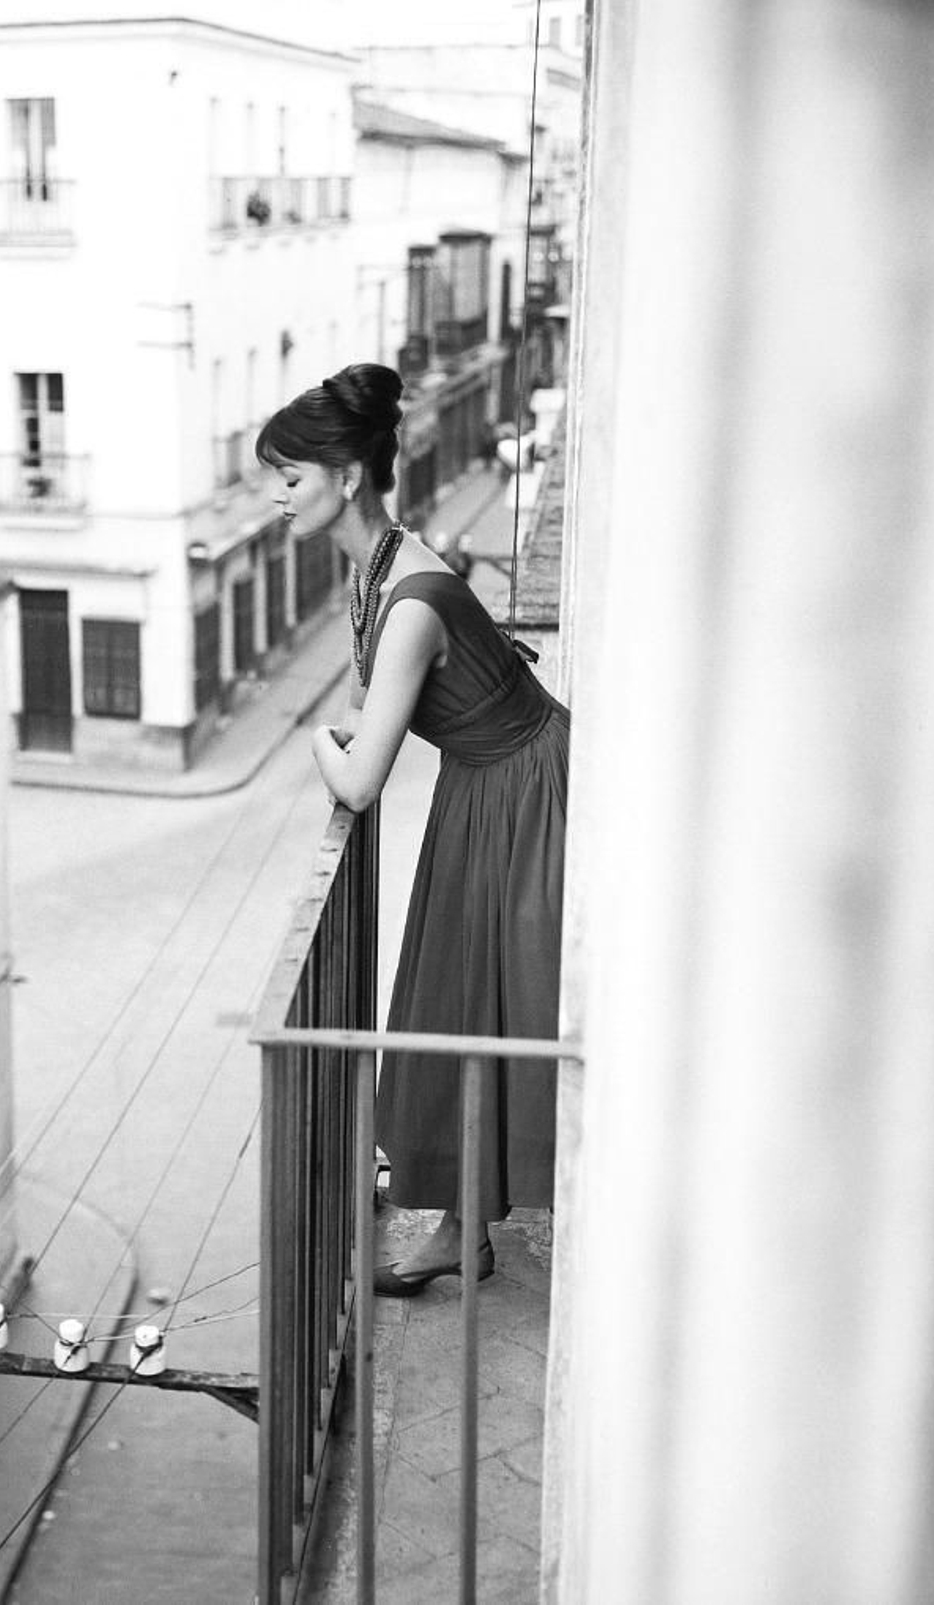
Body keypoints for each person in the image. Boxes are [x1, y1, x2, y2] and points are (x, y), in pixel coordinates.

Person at [256, 362, 569, 1295]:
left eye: (291, 476)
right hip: (489, 787)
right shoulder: (384, 564)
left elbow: (355, 779)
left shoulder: (410, 598)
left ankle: (467, 1226)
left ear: (346, 476)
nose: (277, 496)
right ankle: (458, 1227)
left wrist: (313, 736)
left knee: (499, 1000)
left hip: (524, 789)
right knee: (458, 996)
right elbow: (376, 700)